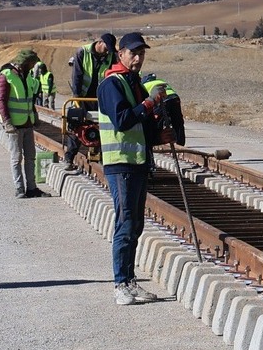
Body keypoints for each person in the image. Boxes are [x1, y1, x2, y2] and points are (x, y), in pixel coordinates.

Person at [96, 33, 164, 304]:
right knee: (125, 224)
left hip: (135, 162)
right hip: (120, 164)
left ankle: (130, 281)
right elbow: (123, 120)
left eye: (142, 53)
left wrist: (158, 136)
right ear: (120, 53)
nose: (138, 58)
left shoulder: (132, 82)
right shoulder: (111, 84)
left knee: (135, 224)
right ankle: (120, 284)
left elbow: (140, 123)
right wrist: (150, 102)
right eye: (133, 53)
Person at [0, 49, 43, 198]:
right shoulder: (6, 76)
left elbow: (29, 98)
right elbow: (1, 101)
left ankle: (32, 188)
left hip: (27, 124)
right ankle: (19, 188)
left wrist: (34, 115)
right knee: (16, 158)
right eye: (32, 63)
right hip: (15, 126)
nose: (33, 66)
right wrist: (7, 122)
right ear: (25, 62)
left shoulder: (27, 76)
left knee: (30, 158)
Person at [142, 72, 187, 147]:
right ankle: (180, 143)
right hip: (174, 97)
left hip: (163, 99)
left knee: (157, 120)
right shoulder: (160, 81)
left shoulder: (143, 85)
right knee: (178, 121)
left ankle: (158, 140)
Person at [71, 32, 114, 99]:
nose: (107, 52)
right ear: (100, 42)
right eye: (106, 48)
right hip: (83, 95)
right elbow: (77, 75)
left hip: (100, 96)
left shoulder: (111, 56)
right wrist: (76, 95)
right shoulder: (83, 52)